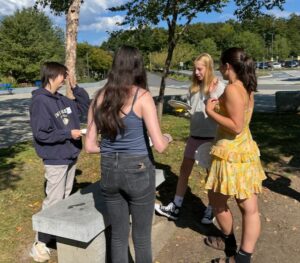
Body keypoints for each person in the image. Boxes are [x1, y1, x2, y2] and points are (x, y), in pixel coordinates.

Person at [84, 45, 172, 263]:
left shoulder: (98, 98)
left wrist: (112, 150)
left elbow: (90, 146)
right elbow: (160, 145)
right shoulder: (142, 97)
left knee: (118, 236)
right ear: (137, 67)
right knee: (141, 237)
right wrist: (168, 138)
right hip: (138, 171)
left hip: (109, 171)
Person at [204, 47, 266, 263]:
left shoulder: (231, 89)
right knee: (249, 209)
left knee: (216, 202)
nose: (220, 69)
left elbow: (236, 125)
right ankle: (242, 257)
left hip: (229, 155)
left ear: (228, 66)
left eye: (221, 65)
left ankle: (230, 244)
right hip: (246, 153)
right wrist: (213, 96)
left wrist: (210, 112)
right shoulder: (247, 89)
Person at [29, 62, 90, 262]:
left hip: (70, 154)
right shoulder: (40, 101)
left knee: (64, 197)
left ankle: (53, 233)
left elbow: (83, 108)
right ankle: (39, 243)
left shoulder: (62, 99)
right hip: (55, 157)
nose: (65, 79)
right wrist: (68, 133)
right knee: (54, 200)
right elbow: (41, 134)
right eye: (64, 76)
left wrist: (77, 88)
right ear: (53, 76)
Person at [155, 53, 225, 223]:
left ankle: (212, 209)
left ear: (208, 68)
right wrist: (185, 112)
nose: (196, 72)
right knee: (184, 171)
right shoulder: (193, 88)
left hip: (211, 139)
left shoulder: (220, 87)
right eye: (194, 68)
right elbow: (193, 110)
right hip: (194, 136)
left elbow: (223, 112)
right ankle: (176, 206)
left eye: (199, 68)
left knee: (211, 176)